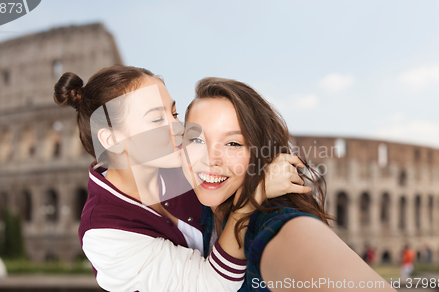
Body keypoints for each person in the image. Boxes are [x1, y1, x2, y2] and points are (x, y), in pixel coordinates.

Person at [53, 65, 310, 292]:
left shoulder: (186, 163)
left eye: (174, 114)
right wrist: (251, 200)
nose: (179, 129)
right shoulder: (105, 233)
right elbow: (210, 286)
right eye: (156, 119)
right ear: (114, 140)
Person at [181, 77, 397, 291]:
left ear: (260, 153)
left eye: (233, 143)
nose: (210, 158)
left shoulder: (273, 221)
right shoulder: (188, 206)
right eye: (196, 139)